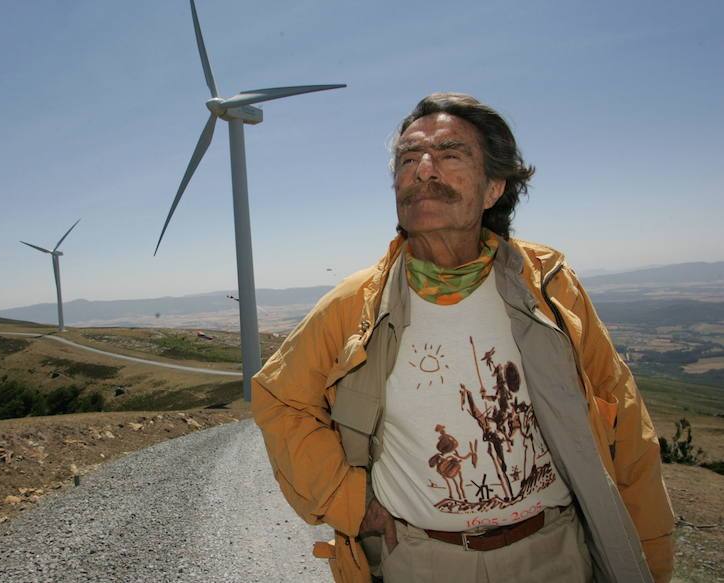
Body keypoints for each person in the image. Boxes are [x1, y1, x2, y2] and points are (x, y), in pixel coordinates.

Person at [251, 93, 674, 583]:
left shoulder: (550, 286)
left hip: (555, 554)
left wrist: (649, 557)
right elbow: (279, 399)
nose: (423, 171)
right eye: (408, 158)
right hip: (422, 562)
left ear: (494, 187)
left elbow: (624, 421)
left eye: (450, 155)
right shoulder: (354, 304)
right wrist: (351, 502)